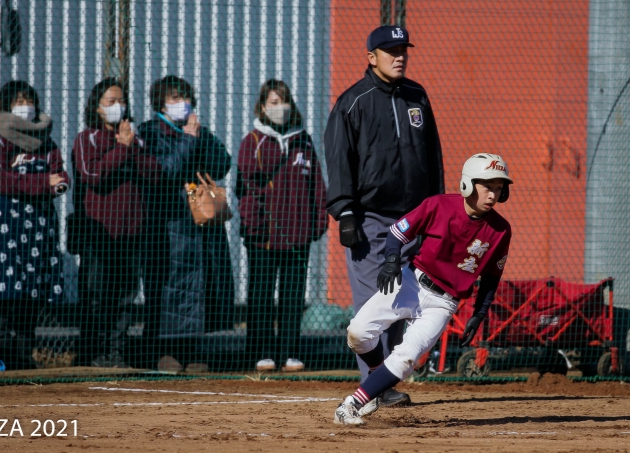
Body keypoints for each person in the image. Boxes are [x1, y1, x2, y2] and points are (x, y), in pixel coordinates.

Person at [333, 153, 513, 425]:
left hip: (443, 303)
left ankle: (351, 405)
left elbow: (491, 278)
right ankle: (375, 378)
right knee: (358, 332)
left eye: (499, 189)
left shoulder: (500, 230)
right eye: (488, 186)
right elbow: (397, 232)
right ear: (468, 184)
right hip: (412, 282)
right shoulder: (439, 205)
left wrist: (480, 313)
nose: (493, 195)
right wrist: (392, 261)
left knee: (406, 359)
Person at [324, 25, 445, 405]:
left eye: (403, 50)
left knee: (400, 301)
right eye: (391, 51)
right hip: (370, 218)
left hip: (414, 217)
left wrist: (436, 210)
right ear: (371, 57)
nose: (400, 56)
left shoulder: (416, 95)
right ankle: (376, 385)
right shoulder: (353, 101)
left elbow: (433, 156)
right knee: (375, 302)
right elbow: (338, 158)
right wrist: (345, 211)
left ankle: (383, 382)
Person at [137, 75, 233, 372]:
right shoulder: (150, 133)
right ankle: (163, 351)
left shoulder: (195, 130)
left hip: (199, 221)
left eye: (186, 97)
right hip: (168, 221)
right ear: (161, 103)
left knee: (200, 286)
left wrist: (201, 136)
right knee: (168, 285)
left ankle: (192, 350)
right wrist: (189, 141)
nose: (183, 103)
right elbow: (165, 171)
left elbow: (222, 163)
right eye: (175, 98)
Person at [0, 80, 69, 369]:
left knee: (32, 289)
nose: (25, 107)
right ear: (6, 106)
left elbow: (60, 176)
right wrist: (43, 183)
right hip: (4, 229)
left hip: (37, 229)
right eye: (19, 101)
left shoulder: (46, 143)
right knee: (3, 290)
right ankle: (2, 352)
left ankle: (25, 354)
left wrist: (56, 184)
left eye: (29, 101)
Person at [238, 79, 328, 372]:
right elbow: (245, 187)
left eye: (284, 101)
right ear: (263, 107)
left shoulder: (304, 141)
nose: (280, 108)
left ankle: (290, 352)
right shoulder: (253, 141)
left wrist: (317, 222)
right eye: (274, 103)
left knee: (292, 295)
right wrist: (254, 226)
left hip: (297, 235)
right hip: (262, 237)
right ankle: (261, 352)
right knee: (261, 294)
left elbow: (317, 186)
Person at [73, 77, 158, 368]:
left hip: (132, 233)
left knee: (125, 297)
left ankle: (116, 352)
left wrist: (130, 146)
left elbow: (155, 174)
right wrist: (121, 149)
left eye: (121, 101)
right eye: (111, 101)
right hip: (100, 235)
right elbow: (92, 174)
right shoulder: (87, 138)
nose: (118, 106)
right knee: (97, 295)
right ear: (97, 108)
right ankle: (92, 352)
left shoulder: (136, 140)